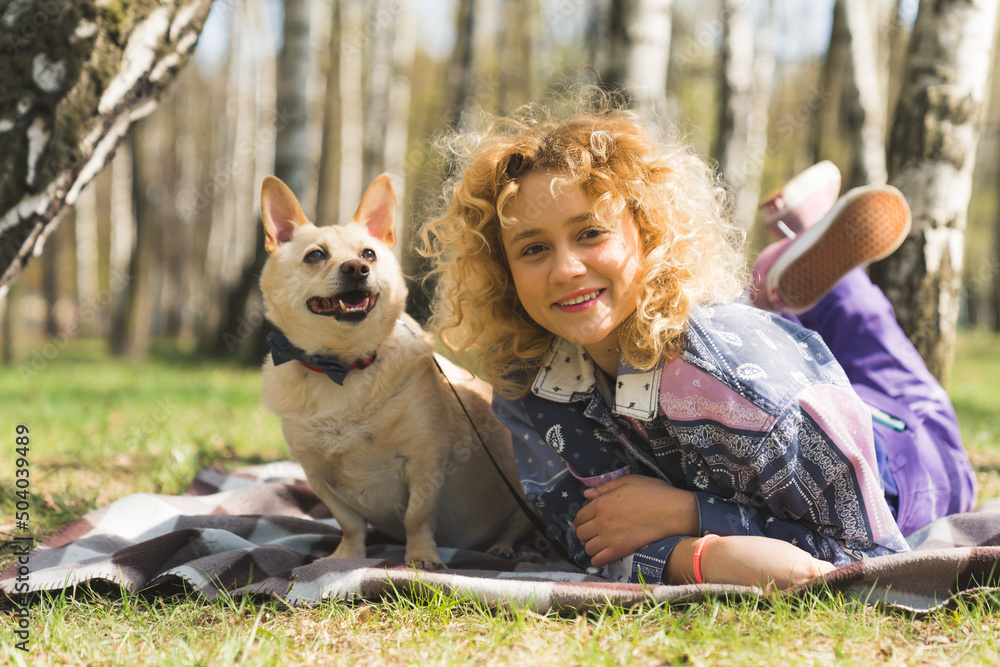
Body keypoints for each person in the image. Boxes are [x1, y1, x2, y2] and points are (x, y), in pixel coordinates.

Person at [418, 104, 977, 590]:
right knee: (855, 360)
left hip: (906, 459)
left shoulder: (747, 386)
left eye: (591, 233)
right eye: (533, 249)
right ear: (503, 269)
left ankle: (813, 267)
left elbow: (871, 557)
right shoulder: (527, 383)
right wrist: (694, 557)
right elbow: (582, 530)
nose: (565, 269)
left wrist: (692, 519)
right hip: (776, 390)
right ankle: (782, 276)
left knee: (907, 386)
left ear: (649, 231)